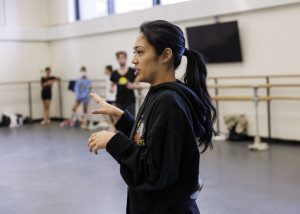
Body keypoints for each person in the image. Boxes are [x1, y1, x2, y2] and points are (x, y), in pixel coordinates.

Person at [88, 20, 216, 214]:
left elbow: (153, 171)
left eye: (140, 52)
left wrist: (114, 141)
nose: (133, 60)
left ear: (165, 55)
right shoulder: (159, 93)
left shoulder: (169, 101)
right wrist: (123, 118)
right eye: (134, 52)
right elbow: (152, 140)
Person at [110, 51, 140, 116]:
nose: (121, 59)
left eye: (123, 57)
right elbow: (111, 86)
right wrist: (111, 89)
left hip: (130, 101)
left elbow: (139, 85)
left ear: (126, 58)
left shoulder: (132, 71)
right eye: (120, 58)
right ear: (117, 59)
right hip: (119, 101)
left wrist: (133, 86)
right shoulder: (114, 73)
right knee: (121, 122)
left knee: (131, 121)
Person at [103, 65, 117, 131]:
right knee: (104, 112)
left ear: (108, 69)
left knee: (114, 114)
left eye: (105, 69)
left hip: (113, 98)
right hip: (109, 98)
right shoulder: (107, 77)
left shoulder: (113, 76)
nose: (104, 70)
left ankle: (114, 128)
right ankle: (112, 126)